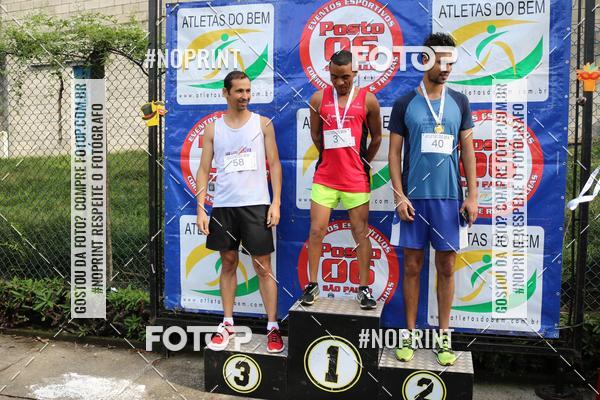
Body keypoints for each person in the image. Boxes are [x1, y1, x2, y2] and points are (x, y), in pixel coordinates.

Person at [388, 33, 478, 366]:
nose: (445, 68)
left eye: (450, 62)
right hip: (414, 200)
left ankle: (443, 337)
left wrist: (473, 195)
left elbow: (467, 150)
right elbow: (393, 154)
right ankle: (409, 334)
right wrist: (399, 196)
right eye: (440, 61)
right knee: (412, 267)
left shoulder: (460, 102)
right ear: (425, 60)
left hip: (449, 200)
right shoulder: (404, 103)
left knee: (446, 268)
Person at [196, 71, 284, 353]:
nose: (245, 96)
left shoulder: (263, 124)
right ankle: (227, 323)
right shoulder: (213, 129)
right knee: (228, 262)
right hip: (224, 206)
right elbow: (203, 169)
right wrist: (201, 208)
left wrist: (276, 202)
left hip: (256, 204)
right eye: (239, 91)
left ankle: (272, 327)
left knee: (263, 266)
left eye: (248, 91)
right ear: (226, 93)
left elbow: (275, 164)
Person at [300, 50, 383, 309]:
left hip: (355, 179)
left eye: (345, 77)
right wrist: (330, 158)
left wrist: (362, 161)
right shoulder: (318, 99)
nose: (339, 82)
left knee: (361, 232)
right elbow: (316, 136)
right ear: (329, 73)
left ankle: (364, 288)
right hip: (325, 177)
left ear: (355, 72)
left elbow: (377, 137)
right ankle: (312, 285)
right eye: (334, 77)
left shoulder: (368, 100)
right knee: (316, 230)